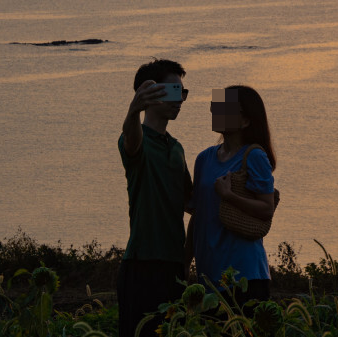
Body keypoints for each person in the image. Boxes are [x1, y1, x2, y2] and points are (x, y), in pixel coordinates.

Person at [117, 59, 193, 337]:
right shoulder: (135, 138)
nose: (180, 100)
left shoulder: (177, 148)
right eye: (174, 91)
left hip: (174, 266)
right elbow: (131, 141)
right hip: (142, 264)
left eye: (183, 92)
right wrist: (133, 110)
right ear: (149, 92)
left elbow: (191, 203)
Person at [190, 85, 277, 302]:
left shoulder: (254, 156)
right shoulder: (204, 159)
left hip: (245, 275)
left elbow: (267, 208)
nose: (216, 112)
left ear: (245, 121)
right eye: (215, 106)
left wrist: (229, 196)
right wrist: (185, 262)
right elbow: (197, 215)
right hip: (209, 276)